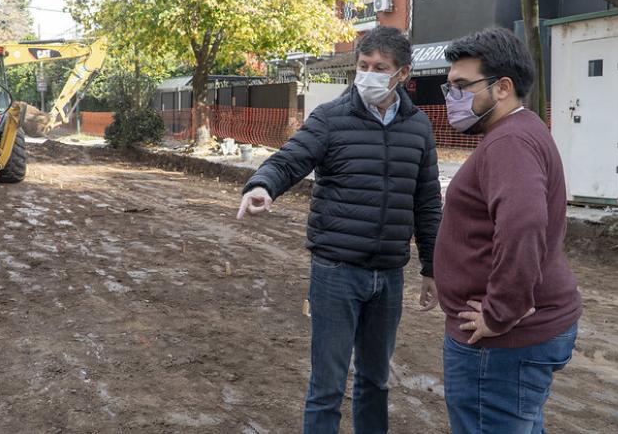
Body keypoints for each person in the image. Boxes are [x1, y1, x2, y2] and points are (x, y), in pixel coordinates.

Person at [237, 26, 442, 433]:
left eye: (379, 67)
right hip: (335, 274)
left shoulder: (418, 128)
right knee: (327, 386)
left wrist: (432, 268)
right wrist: (262, 185)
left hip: (388, 276)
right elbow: (291, 158)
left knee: (375, 381)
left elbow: (428, 204)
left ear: (402, 74)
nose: (368, 74)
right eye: (363, 66)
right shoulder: (331, 118)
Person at [434, 27, 582, 433]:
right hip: (514, 343)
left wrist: (501, 313)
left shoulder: (509, 142)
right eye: (450, 87)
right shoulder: (521, 130)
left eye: (462, 86)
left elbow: (524, 225)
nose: (452, 98)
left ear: (502, 88)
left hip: (499, 347)